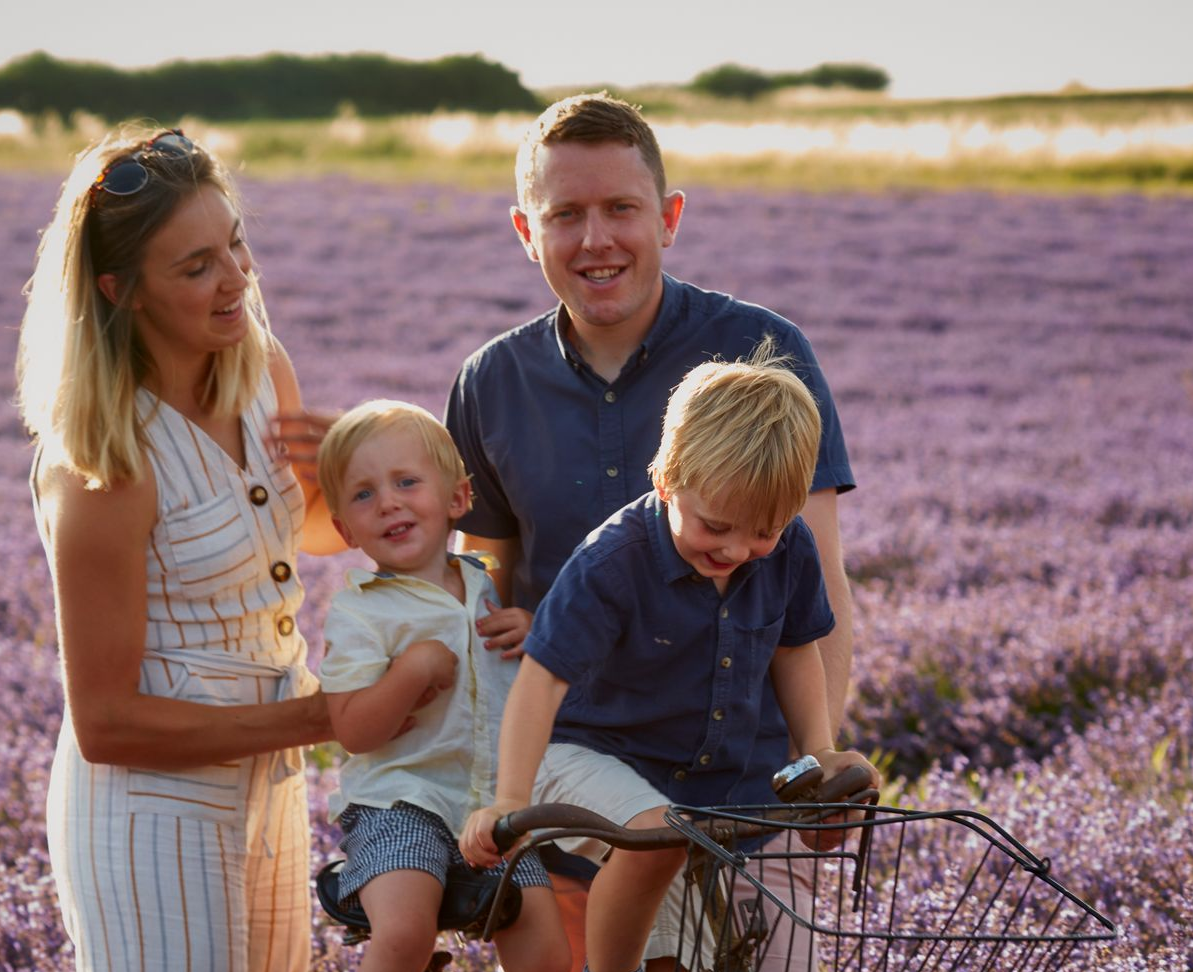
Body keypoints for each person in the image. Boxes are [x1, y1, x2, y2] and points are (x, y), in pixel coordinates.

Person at [442, 93, 859, 967]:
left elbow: (812, 586)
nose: (596, 240)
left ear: (667, 218)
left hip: (755, 794)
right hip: (592, 794)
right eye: (566, 215)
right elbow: (488, 586)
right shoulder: (491, 382)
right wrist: (498, 795)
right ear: (527, 231)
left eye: (621, 209)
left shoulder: (762, 355)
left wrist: (815, 775)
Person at [16, 126, 343, 972]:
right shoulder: (103, 459)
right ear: (120, 289)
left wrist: (375, 475)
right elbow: (106, 721)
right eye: (196, 267)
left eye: (235, 244)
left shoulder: (262, 369)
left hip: (270, 784)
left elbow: (302, 528)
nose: (237, 278)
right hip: (149, 812)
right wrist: (327, 716)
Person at [459, 349, 882, 972]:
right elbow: (541, 682)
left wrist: (817, 753)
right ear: (665, 479)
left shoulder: (788, 549)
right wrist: (509, 801)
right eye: (716, 526)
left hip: (708, 789)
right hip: (584, 757)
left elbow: (796, 651)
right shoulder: (612, 561)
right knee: (660, 836)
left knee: (689, 922)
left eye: (761, 532)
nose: (737, 549)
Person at [315, 400, 568, 972]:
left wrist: (536, 636)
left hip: (488, 807)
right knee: (405, 931)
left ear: (457, 498)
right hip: (399, 803)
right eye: (363, 495)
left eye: (407, 481)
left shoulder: (486, 586)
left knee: (547, 949)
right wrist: (411, 672)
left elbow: (530, 687)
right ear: (343, 529)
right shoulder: (360, 612)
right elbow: (353, 731)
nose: (388, 502)